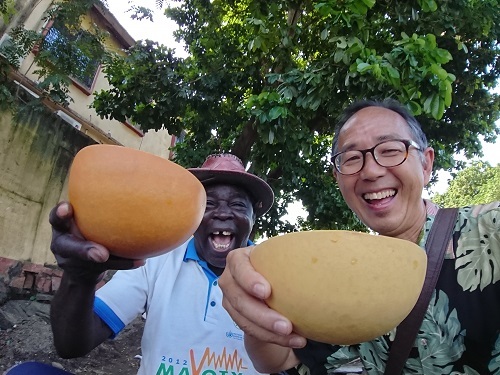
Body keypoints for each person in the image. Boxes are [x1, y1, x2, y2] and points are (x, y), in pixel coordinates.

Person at [219, 99, 500, 375]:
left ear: (426, 165)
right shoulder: (332, 270)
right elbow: (277, 360)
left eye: (390, 150)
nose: (371, 171)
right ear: (337, 177)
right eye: (351, 158)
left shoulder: (489, 230)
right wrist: (255, 304)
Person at [48, 153, 275, 375]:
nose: (223, 213)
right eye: (208, 204)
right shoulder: (155, 259)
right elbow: (71, 345)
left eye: (237, 204)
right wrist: (79, 278)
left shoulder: (273, 274)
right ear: (191, 213)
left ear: (254, 217)